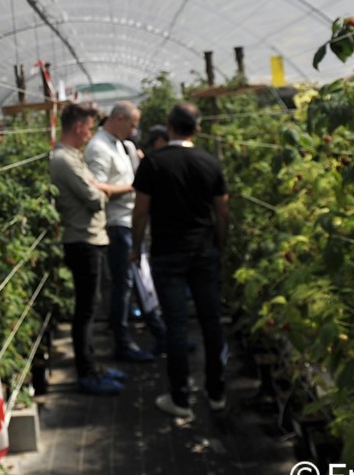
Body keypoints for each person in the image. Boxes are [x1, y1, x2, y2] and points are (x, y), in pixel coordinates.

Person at [130, 102, 230, 419]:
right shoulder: (210, 162)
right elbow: (222, 212)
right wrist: (220, 246)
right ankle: (216, 393)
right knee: (210, 321)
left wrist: (136, 246)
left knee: (175, 324)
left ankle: (181, 399)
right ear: (197, 129)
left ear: (169, 125)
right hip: (203, 251)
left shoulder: (153, 163)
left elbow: (140, 211)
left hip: (167, 252)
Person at [49, 102, 125, 395]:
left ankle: (92, 367)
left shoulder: (72, 156)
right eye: (90, 128)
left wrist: (98, 187)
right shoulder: (63, 160)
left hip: (90, 240)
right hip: (83, 242)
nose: (90, 134)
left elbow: (94, 189)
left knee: (90, 307)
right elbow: (94, 199)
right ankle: (87, 373)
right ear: (79, 127)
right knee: (86, 309)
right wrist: (102, 190)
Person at [84, 102, 165, 362]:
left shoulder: (119, 144)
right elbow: (95, 190)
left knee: (138, 280)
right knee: (124, 284)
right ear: (119, 118)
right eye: (132, 124)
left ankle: (159, 333)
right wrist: (134, 187)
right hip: (117, 224)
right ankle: (123, 343)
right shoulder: (98, 147)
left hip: (129, 221)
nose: (134, 130)